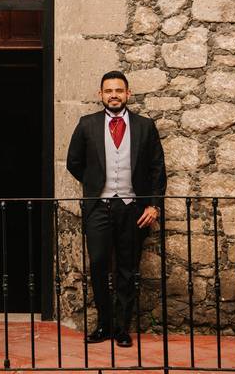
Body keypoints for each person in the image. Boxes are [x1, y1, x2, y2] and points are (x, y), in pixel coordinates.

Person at [66, 70, 167, 348]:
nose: (113, 95)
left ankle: (122, 328)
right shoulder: (87, 124)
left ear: (127, 94)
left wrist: (154, 206)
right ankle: (104, 325)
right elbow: (73, 162)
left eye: (118, 90)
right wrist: (95, 183)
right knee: (98, 265)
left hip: (133, 208)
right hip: (98, 206)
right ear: (101, 95)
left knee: (127, 269)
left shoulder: (145, 126)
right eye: (108, 90)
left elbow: (158, 168)